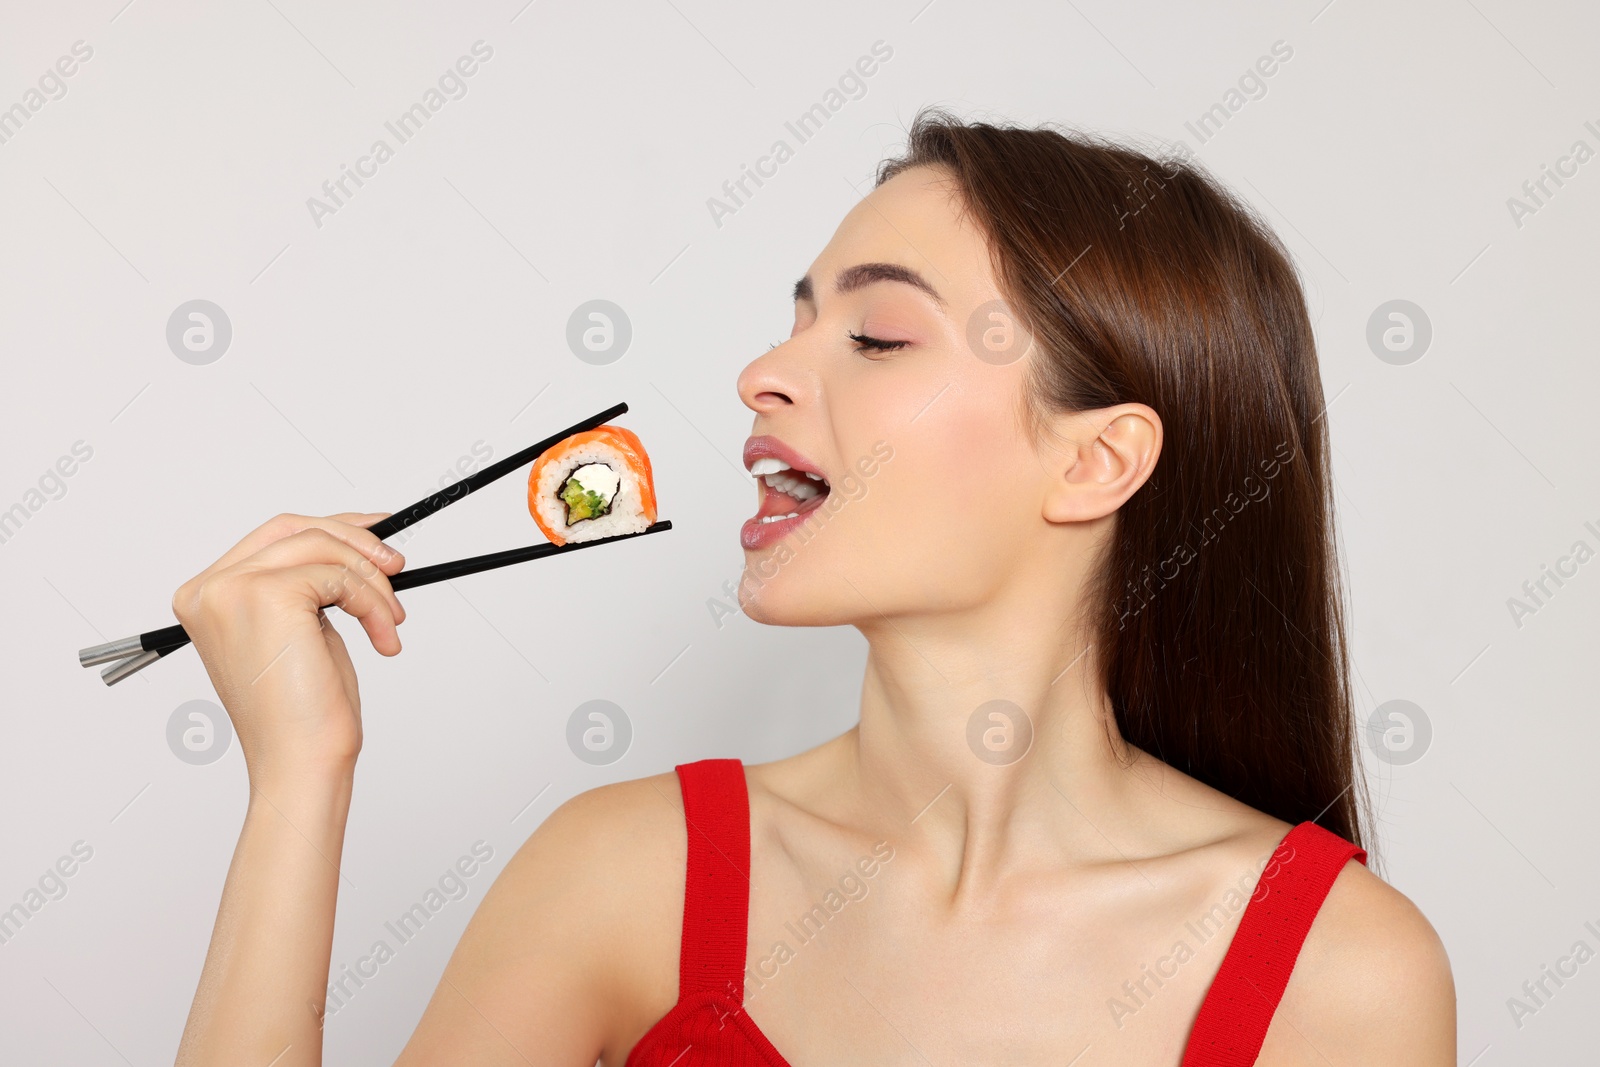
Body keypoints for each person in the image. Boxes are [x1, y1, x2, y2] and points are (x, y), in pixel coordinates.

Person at [172, 108, 1455, 1065]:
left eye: (877, 335)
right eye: (794, 319)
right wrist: (299, 774)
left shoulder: (1338, 974)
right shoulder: (629, 874)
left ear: (1095, 458)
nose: (762, 373)